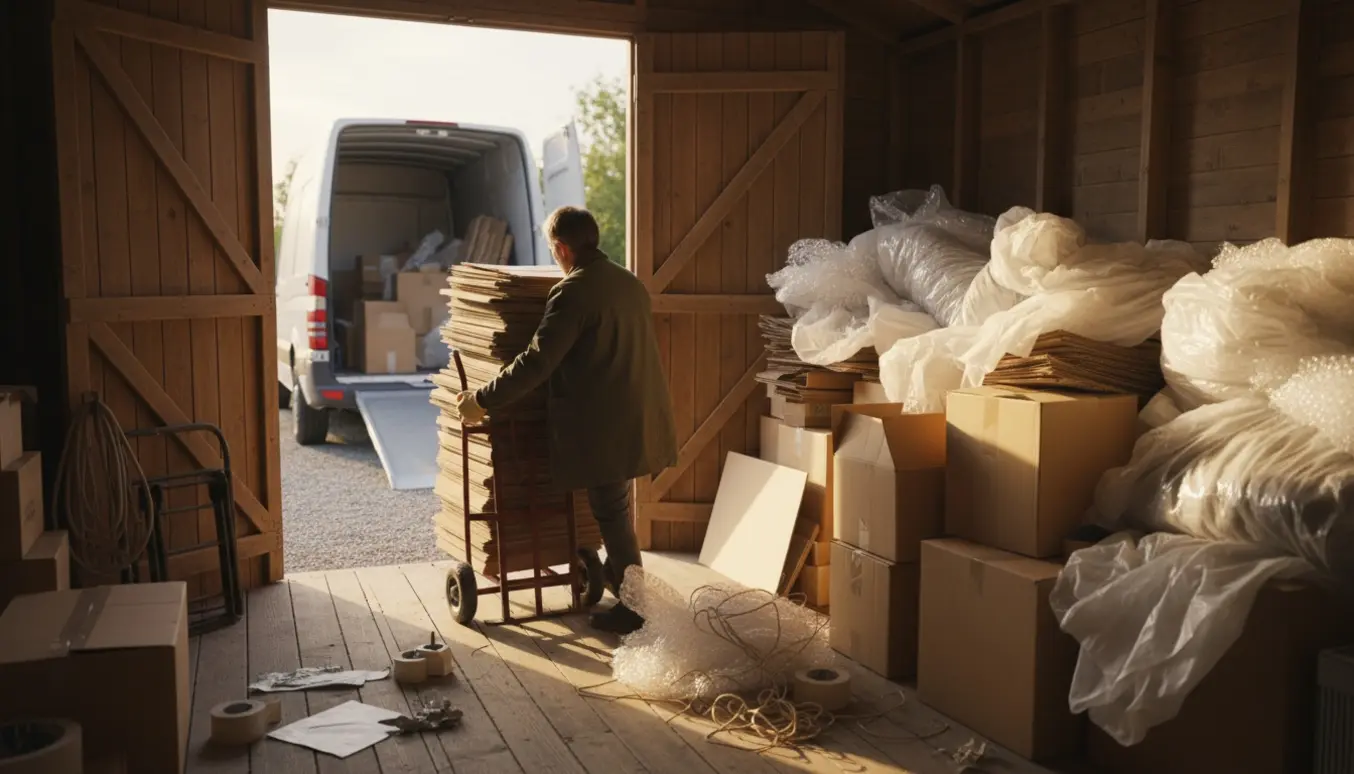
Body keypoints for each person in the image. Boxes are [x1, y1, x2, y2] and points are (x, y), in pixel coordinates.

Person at [454, 206, 677, 635]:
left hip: (607, 423)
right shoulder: (628, 282)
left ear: (561, 247)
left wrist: (481, 400)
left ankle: (634, 608)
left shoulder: (574, 291)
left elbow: (538, 362)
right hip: (641, 415)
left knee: (610, 512)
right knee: (617, 509)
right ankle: (618, 577)